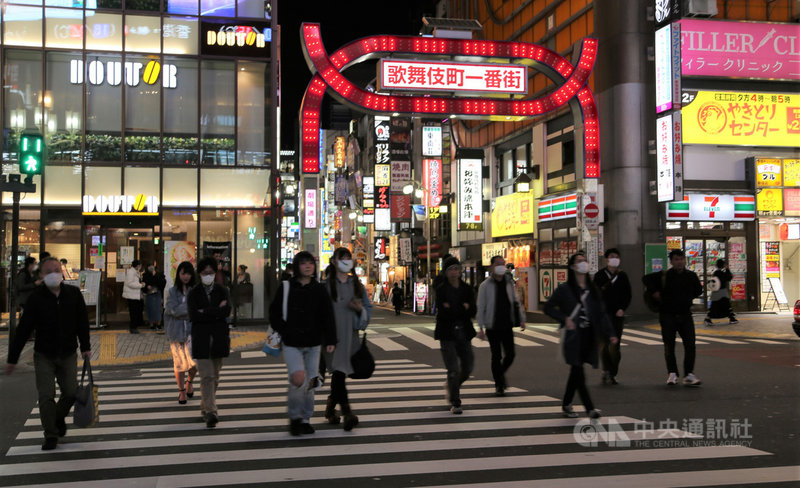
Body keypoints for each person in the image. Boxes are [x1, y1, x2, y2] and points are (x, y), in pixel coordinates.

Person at [5, 257, 91, 450]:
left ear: (61, 272)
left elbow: (82, 322)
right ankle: (50, 434)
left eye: (57, 269)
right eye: (49, 271)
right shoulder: (36, 298)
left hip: (68, 352)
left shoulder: (73, 294)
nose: (54, 273)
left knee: (70, 392)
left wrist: (85, 346)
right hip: (44, 354)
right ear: (42, 275)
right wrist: (12, 358)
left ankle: (57, 417)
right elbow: (24, 329)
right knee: (46, 396)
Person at [269, 251, 336, 436]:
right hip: (292, 342)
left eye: (311, 263)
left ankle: (305, 418)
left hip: (314, 342)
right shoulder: (286, 287)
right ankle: (294, 417)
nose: (308, 266)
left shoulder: (319, 288)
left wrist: (330, 339)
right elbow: (274, 313)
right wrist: (285, 329)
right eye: (303, 263)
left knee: (311, 381)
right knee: (298, 379)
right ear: (297, 266)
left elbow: (327, 315)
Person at [544, 252, 618, 419]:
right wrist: (565, 319)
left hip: (588, 335)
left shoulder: (592, 290)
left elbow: (601, 313)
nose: (583, 263)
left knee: (576, 371)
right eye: (579, 261)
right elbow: (548, 307)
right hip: (572, 336)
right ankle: (589, 408)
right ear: (572, 267)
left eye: (584, 261)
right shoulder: (565, 289)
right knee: (578, 370)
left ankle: (566, 404)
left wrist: (611, 333)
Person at [323, 248, 372, 431]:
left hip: (350, 337)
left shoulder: (356, 285)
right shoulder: (327, 286)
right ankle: (347, 412)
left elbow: (367, 308)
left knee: (340, 374)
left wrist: (360, 311)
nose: (345, 261)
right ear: (334, 262)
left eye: (347, 258)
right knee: (339, 373)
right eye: (341, 258)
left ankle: (330, 408)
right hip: (331, 338)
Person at [188, 257, 232, 428]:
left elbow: (227, 311)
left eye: (211, 273)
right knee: (207, 375)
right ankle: (211, 411)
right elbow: (194, 315)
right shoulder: (194, 292)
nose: (208, 276)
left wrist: (205, 311)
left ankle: (204, 405)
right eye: (205, 273)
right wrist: (215, 311)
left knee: (215, 376)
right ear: (199, 274)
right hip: (201, 338)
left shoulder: (222, 290)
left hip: (219, 338)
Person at [649, 249, 703, 387]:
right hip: (668, 315)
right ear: (671, 262)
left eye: (681, 259)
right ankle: (672, 373)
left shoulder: (691, 276)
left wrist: (687, 297)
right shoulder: (665, 276)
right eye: (676, 259)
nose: (680, 262)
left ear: (685, 260)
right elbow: (646, 280)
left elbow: (698, 290)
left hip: (685, 314)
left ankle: (689, 374)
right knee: (669, 345)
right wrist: (655, 292)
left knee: (690, 345)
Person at [476, 255, 526, 397]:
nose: (501, 267)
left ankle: (500, 375)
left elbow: (515, 302)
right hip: (492, 326)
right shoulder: (485, 286)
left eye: (503, 264)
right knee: (496, 356)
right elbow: (481, 307)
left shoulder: (508, 283)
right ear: (491, 267)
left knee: (511, 354)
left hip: (507, 324)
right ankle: (499, 385)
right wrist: (480, 327)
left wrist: (522, 319)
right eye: (498, 264)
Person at [434, 256, 476, 414]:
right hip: (447, 334)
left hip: (464, 332)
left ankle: (452, 385)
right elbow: (443, 312)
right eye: (450, 269)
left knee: (468, 366)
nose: (453, 272)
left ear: (460, 271)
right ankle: (456, 401)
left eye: (456, 269)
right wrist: (461, 307)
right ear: (445, 272)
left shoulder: (466, 289)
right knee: (452, 369)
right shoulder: (441, 290)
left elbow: (472, 310)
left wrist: (454, 307)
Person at [593, 248, 632, 385]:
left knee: (614, 346)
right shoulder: (599, 276)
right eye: (612, 256)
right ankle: (606, 370)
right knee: (603, 345)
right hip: (603, 316)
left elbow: (628, 295)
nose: (614, 259)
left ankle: (612, 372)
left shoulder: (623, 276)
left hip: (617, 315)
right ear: (606, 259)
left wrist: (622, 308)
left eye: (617, 256)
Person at [165, 261, 198, 405]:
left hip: (193, 332)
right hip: (176, 332)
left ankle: (189, 381)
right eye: (183, 273)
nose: (186, 276)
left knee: (195, 363)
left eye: (189, 273)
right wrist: (188, 310)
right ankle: (182, 392)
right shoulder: (172, 291)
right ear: (179, 274)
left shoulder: (195, 291)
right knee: (179, 363)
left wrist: (182, 311)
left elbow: (195, 309)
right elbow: (171, 310)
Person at [704, 258, 738, 326]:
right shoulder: (722, 273)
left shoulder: (715, 273)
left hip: (715, 292)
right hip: (722, 292)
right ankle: (732, 318)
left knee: (714, 306)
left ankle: (708, 318)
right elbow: (729, 277)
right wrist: (727, 269)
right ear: (723, 265)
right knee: (726, 305)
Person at [122, 260, 145, 334]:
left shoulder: (135, 272)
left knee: (136, 311)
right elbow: (130, 283)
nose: (140, 267)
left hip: (134, 295)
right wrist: (140, 285)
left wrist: (140, 283)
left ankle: (136, 325)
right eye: (140, 265)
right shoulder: (131, 272)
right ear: (137, 265)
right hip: (131, 296)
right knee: (133, 312)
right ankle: (133, 327)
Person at [143, 263, 167, 330]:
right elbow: (143, 284)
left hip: (157, 293)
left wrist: (155, 275)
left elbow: (163, 283)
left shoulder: (159, 275)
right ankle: (151, 324)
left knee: (158, 309)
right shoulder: (145, 275)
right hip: (149, 294)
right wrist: (147, 286)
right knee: (150, 309)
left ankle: (158, 324)